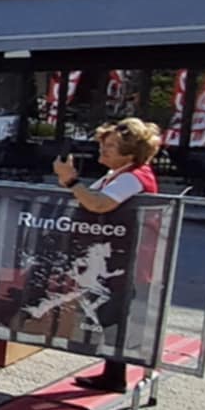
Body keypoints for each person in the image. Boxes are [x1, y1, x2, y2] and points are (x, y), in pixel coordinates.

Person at [55, 117, 162, 393]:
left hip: (127, 258)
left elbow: (99, 204)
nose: (103, 149)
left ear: (131, 151)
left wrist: (71, 181)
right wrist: (71, 182)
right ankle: (113, 373)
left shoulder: (134, 176)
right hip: (111, 256)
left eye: (111, 145)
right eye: (104, 143)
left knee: (116, 313)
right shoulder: (116, 174)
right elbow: (88, 197)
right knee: (110, 313)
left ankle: (116, 375)